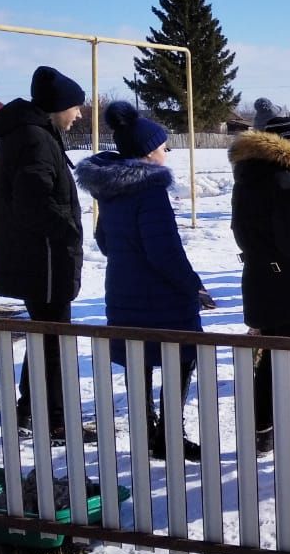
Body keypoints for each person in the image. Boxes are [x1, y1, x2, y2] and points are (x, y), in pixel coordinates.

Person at [74, 102, 210, 461]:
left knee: (139, 361)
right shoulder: (149, 192)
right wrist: (192, 285)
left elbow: (104, 241)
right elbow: (163, 252)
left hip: (123, 292)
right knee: (177, 358)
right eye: (164, 146)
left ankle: (147, 432)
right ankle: (168, 436)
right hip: (162, 299)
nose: (167, 152)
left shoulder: (112, 190)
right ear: (150, 152)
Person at [0, 65, 92, 444]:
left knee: (44, 336)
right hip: (43, 260)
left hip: (37, 259)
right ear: (58, 105)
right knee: (54, 340)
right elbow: (34, 202)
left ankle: (32, 412)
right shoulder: (33, 138)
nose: (79, 114)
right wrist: (69, 227)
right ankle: (57, 422)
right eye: (76, 107)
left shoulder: (32, 132)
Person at [229, 112, 290, 458]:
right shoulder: (286, 183)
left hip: (261, 279)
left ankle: (264, 430)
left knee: (270, 359)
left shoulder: (250, 177)